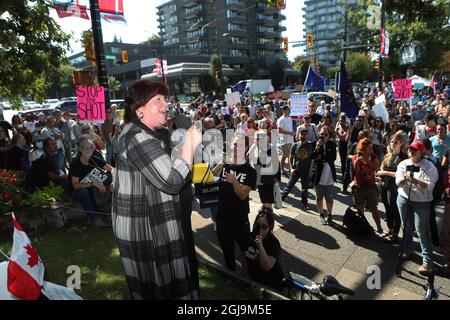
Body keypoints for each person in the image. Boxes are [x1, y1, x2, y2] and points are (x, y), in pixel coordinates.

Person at [112, 79, 201, 300]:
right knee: (157, 285)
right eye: (158, 100)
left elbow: (167, 169)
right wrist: (189, 144)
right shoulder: (137, 137)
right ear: (139, 110)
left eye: (165, 99)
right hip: (143, 228)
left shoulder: (149, 135)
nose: (166, 104)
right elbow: (172, 181)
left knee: (168, 282)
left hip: (154, 220)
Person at [212, 134, 257, 273]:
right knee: (227, 250)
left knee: (244, 251)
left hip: (240, 220)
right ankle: (231, 276)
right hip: (222, 218)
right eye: (235, 144)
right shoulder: (225, 164)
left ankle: (245, 278)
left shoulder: (250, 171)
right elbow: (211, 176)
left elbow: (243, 195)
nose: (237, 148)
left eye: (240, 145)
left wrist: (235, 182)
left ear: (246, 148)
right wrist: (221, 162)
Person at [396, 141, 439, 274]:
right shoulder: (404, 163)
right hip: (404, 199)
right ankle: (407, 249)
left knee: (421, 230)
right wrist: (404, 179)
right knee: (406, 226)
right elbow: (398, 182)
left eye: (415, 150)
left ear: (422, 152)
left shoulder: (429, 166)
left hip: (422, 202)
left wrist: (416, 181)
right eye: (410, 149)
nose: (412, 151)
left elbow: (430, 185)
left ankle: (427, 261)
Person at [69, 138, 114, 226]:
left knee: (109, 179)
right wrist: (93, 183)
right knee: (83, 192)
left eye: (91, 147)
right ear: (81, 150)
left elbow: (112, 169)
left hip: (93, 186)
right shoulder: (75, 163)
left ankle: (115, 210)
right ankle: (94, 219)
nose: (89, 149)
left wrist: (114, 181)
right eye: (86, 148)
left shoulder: (94, 158)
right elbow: (75, 185)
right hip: (78, 191)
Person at [377, 131, 408, 243]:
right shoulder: (388, 155)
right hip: (383, 185)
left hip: (394, 187)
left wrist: (384, 172)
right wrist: (380, 173)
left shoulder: (404, 158)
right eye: (391, 141)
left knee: (394, 210)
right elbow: (381, 168)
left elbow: (399, 174)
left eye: (396, 142)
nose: (393, 143)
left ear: (401, 143)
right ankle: (390, 230)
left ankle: (395, 233)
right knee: (386, 209)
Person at [245, 206, 284, 291]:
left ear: (270, 228)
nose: (260, 230)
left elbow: (267, 266)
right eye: (258, 225)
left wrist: (260, 245)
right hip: (254, 280)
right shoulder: (249, 237)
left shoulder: (273, 243)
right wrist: (244, 276)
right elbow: (244, 255)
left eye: (264, 227)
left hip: (270, 283)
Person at [351, 138, 383, 234]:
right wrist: (357, 161)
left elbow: (376, 167)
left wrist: (367, 160)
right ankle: (362, 226)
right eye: (369, 148)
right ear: (363, 148)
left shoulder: (373, 156)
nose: (371, 149)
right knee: (360, 209)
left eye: (371, 147)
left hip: (371, 187)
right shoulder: (356, 157)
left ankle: (379, 227)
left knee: (374, 209)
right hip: (359, 186)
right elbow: (356, 171)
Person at [281, 128, 313, 209]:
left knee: (304, 188)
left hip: (305, 171)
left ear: (308, 136)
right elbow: (290, 157)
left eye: (305, 135)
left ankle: (304, 203)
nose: (303, 136)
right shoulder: (295, 145)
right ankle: (281, 199)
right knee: (289, 185)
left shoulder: (310, 146)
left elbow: (314, 155)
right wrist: (291, 168)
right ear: (298, 135)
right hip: (296, 170)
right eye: (302, 134)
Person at [311, 126, 337, 225]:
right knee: (319, 197)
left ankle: (330, 215)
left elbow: (333, 157)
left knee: (329, 197)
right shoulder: (314, 143)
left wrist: (321, 158)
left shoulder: (332, 144)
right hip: (318, 174)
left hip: (329, 174)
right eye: (321, 134)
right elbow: (312, 156)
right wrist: (317, 147)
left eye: (326, 134)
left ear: (329, 136)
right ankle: (321, 214)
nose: (323, 136)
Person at [248, 130, 280, 209]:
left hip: (269, 176)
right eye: (258, 139)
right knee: (262, 193)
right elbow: (248, 155)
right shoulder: (256, 148)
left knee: (269, 193)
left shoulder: (271, 148)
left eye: (262, 138)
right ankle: (266, 206)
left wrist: (277, 177)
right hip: (259, 176)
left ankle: (268, 208)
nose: (260, 140)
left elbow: (276, 163)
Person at [277, 106, 295, 176]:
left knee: (291, 156)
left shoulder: (289, 118)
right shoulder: (281, 119)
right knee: (284, 156)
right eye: (288, 109)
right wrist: (290, 133)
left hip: (290, 140)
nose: (289, 110)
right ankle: (281, 170)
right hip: (284, 141)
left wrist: (292, 133)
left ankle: (291, 169)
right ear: (284, 110)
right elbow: (280, 130)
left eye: (289, 109)